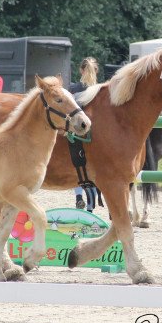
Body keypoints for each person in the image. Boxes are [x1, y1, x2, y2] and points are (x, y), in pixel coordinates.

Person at [69, 57, 99, 210]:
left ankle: (79, 196)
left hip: (76, 134)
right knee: (92, 170)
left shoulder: (72, 89)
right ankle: (90, 206)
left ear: (81, 70)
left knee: (78, 167)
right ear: (96, 71)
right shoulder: (100, 90)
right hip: (96, 135)